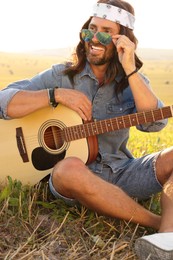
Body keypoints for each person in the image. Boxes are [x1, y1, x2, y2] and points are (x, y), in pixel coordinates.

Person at [0, 0, 173, 258]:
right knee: (68, 169)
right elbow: (4, 101)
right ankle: (157, 225)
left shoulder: (133, 80)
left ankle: (165, 240)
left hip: (122, 171)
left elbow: (154, 123)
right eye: (90, 29)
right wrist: (54, 94)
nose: (94, 38)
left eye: (104, 32)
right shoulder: (61, 76)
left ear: (121, 40)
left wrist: (130, 70)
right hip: (74, 178)